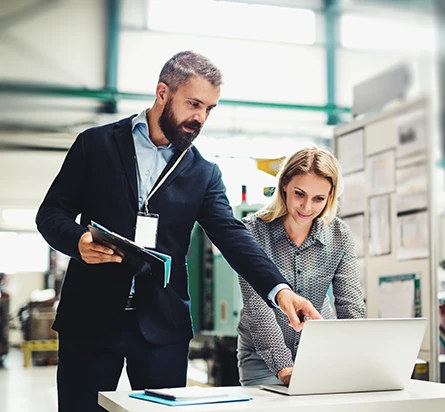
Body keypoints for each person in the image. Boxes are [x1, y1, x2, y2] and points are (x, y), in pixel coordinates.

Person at [36, 50, 321, 412]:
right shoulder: (96, 145)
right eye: (194, 104)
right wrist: (77, 242)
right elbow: (51, 214)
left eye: (209, 109)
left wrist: (281, 291)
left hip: (161, 325)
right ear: (162, 93)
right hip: (90, 319)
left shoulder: (203, 172)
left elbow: (233, 237)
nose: (200, 117)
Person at [236, 146, 366, 387]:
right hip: (263, 357)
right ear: (284, 185)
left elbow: (350, 304)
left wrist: (356, 359)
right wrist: (285, 370)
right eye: (299, 194)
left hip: (319, 353)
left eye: (318, 198)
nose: (307, 207)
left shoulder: (339, 235)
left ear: (331, 197)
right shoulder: (252, 232)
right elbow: (258, 309)